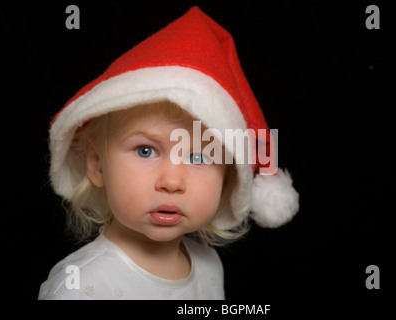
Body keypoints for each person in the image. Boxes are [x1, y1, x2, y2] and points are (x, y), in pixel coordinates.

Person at [38, 6, 299, 300]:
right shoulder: (80, 287)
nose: (172, 181)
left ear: (228, 177)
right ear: (97, 164)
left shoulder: (209, 266)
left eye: (199, 157)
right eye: (146, 150)